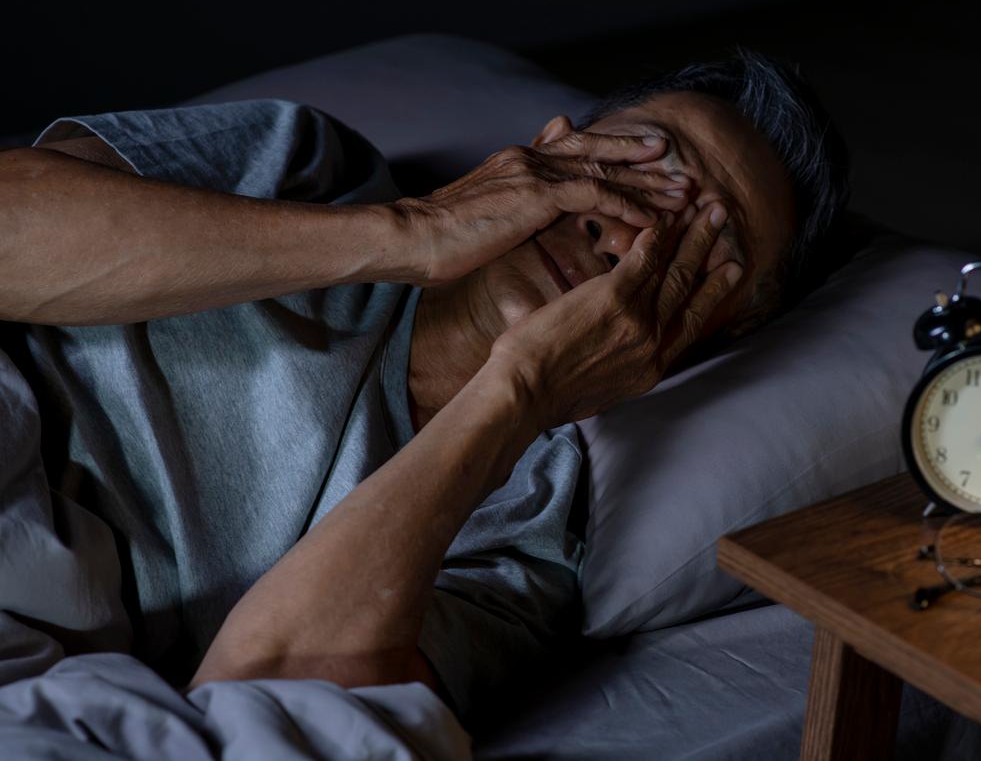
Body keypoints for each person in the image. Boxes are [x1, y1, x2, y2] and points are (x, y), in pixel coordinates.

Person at [0, 50, 848, 746]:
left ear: (713, 330)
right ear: (552, 147)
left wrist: (518, 392)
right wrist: (410, 234)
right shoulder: (301, 164)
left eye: (698, 241)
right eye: (636, 165)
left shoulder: (522, 535)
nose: (622, 229)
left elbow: (262, 695)